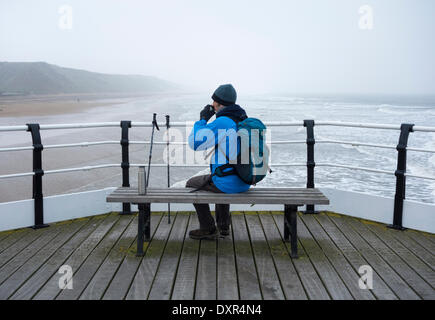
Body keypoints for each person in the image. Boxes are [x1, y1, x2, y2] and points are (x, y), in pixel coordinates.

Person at [186, 84, 250, 239]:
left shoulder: (223, 122)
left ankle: (208, 228)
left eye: (214, 102)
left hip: (229, 183)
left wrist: (202, 120)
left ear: (220, 104)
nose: (212, 105)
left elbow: (195, 142)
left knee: (191, 184)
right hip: (244, 179)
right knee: (221, 174)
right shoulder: (242, 118)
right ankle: (223, 226)